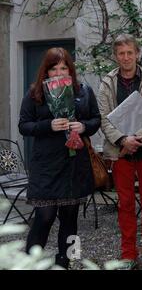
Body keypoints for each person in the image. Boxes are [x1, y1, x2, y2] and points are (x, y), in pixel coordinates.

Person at [18, 47, 101, 269]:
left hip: (74, 162)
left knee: (70, 216)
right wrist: (48, 125)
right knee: (44, 216)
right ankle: (29, 261)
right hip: (46, 165)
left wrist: (83, 126)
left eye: (64, 68)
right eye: (54, 68)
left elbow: (96, 119)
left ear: (70, 70)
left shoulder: (83, 91)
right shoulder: (35, 92)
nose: (59, 72)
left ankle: (67, 261)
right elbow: (24, 126)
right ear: (46, 71)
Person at [97, 34, 142, 270]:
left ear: (137, 53)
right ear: (116, 56)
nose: (126, 57)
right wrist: (122, 140)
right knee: (125, 204)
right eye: (121, 53)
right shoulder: (107, 83)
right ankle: (128, 254)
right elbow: (104, 119)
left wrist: (137, 138)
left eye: (130, 52)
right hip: (120, 153)